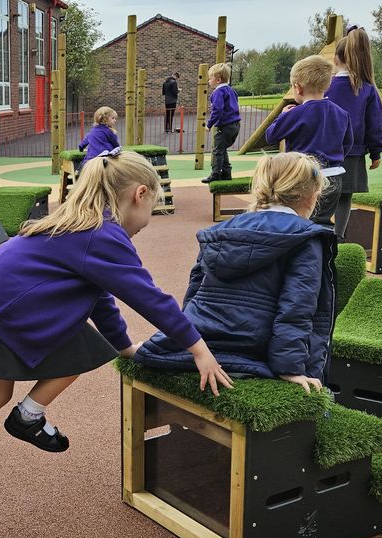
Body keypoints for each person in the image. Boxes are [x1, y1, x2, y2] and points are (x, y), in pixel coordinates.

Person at [0, 149, 232, 490]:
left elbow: (100, 298)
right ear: (139, 194)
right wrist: (198, 348)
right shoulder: (101, 235)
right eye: (151, 208)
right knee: (84, 348)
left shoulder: (76, 224)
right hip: (6, 311)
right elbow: (150, 298)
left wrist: (125, 346)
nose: (148, 219)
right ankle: (28, 416)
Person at [135, 152, 335, 391]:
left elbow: (195, 289)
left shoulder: (222, 230)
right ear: (311, 197)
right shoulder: (306, 236)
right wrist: (290, 368)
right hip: (254, 345)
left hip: (203, 338)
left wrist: (184, 339)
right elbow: (297, 307)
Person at [265, 55, 353, 227]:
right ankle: (324, 251)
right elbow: (347, 144)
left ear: (298, 88)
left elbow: (271, 135)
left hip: (302, 176)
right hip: (333, 176)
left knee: (299, 222)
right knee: (323, 222)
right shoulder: (341, 114)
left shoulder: (296, 114)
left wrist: (283, 116)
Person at [325, 28, 382, 238]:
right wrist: (376, 153)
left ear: (336, 59)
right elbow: (374, 124)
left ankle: (317, 232)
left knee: (323, 193)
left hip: (323, 151)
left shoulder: (326, 87)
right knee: (344, 195)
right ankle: (338, 236)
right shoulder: (367, 89)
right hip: (353, 152)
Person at [202, 63, 240, 183]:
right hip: (235, 124)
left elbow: (217, 110)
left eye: (210, 78)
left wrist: (209, 124)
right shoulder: (231, 91)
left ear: (218, 80)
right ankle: (227, 173)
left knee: (217, 150)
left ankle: (215, 174)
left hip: (225, 126)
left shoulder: (218, 93)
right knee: (222, 149)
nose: (208, 81)